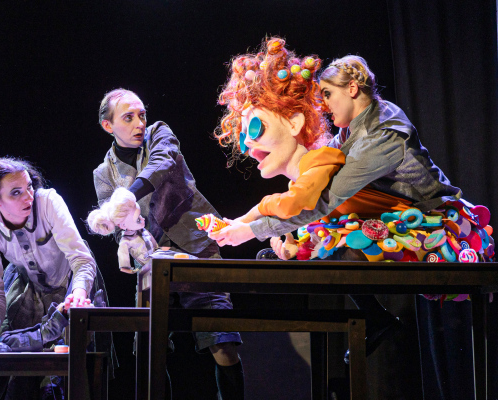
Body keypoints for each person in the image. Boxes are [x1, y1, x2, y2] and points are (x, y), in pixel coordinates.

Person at [209, 38, 491, 363]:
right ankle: (374, 314)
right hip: (394, 212)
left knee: (337, 243)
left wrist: (251, 230)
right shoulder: (353, 128)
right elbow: (315, 184)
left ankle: (375, 317)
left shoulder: (383, 135)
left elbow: (324, 200)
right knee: (326, 233)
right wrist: (258, 222)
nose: (324, 104)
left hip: (437, 222)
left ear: (352, 89)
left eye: (328, 94)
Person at [93, 89, 244, 399]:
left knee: (222, 339)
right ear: (108, 126)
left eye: (141, 115)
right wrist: (129, 241)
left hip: (196, 246)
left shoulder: (159, 133)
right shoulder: (104, 173)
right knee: (150, 348)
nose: (139, 123)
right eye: (128, 117)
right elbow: (118, 228)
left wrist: (129, 195)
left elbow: (162, 163)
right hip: (153, 261)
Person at [0, 157, 110, 400]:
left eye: (29, 187)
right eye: (16, 193)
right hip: (27, 291)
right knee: (5, 356)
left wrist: (78, 295)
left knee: (70, 370)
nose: (28, 197)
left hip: (71, 284)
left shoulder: (47, 202)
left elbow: (81, 259)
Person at [87, 187, 158, 273]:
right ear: (123, 225)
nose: (143, 219)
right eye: (138, 219)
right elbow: (124, 263)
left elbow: (155, 246)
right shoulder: (126, 241)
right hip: (150, 268)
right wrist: (133, 270)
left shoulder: (141, 231)